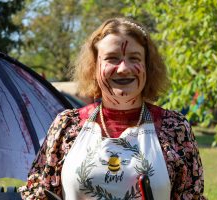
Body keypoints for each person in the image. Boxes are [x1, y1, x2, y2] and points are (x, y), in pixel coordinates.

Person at [19, 17, 206, 200]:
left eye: (134, 58)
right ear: (94, 67)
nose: (123, 68)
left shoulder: (175, 129)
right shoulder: (66, 126)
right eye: (112, 58)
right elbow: (39, 194)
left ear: (148, 66)